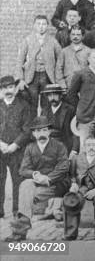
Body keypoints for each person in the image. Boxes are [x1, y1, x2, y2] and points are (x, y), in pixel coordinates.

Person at [4, 117, 69, 242]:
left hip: (57, 184)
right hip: (38, 184)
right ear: (33, 134)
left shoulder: (59, 146)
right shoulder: (30, 148)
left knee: (30, 194)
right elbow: (23, 170)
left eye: (44, 130)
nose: (41, 134)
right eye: (38, 131)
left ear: (49, 132)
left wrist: (48, 178)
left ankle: (20, 230)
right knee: (25, 185)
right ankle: (19, 231)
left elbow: (63, 167)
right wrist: (35, 174)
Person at [0, 76, 34, 219]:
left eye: (10, 87)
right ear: (1, 90)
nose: (8, 91)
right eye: (4, 88)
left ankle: (16, 210)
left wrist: (15, 144)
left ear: (15, 88)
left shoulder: (23, 105)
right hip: (0, 149)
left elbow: (27, 129)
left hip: (17, 150)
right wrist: (0, 143)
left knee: (17, 180)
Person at [65, 136, 95, 242]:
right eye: (88, 145)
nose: (91, 148)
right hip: (83, 187)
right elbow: (71, 175)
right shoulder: (76, 158)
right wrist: (73, 184)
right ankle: (71, 233)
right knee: (72, 198)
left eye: (94, 145)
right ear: (84, 147)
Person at [66, 49, 95, 156]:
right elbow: (71, 94)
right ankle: (85, 171)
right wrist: (81, 106)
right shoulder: (81, 74)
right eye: (94, 58)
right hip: (86, 114)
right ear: (89, 59)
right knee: (85, 146)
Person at [15, 15, 63, 107]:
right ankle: (32, 121)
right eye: (38, 24)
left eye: (44, 24)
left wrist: (58, 77)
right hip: (31, 76)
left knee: (47, 103)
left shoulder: (53, 41)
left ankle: (45, 121)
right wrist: (21, 79)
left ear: (47, 26)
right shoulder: (27, 40)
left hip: (47, 75)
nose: (41, 26)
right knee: (32, 103)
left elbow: (60, 59)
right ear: (34, 25)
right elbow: (19, 61)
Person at [40, 84, 79, 157]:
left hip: (66, 147)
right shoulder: (44, 111)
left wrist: (74, 150)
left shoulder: (70, 110)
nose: (52, 98)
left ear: (61, 96)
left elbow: (76, 132)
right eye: (50, 95)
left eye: (55, 95)